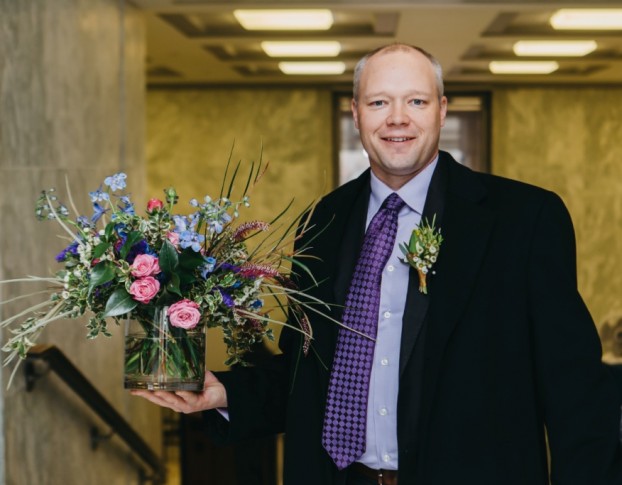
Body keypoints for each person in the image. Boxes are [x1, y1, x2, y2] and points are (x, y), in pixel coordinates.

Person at [132, 43, 622, 484]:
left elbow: (575, 390)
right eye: (379, 102)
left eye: (416, 101)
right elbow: (309, 372)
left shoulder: (524, 218)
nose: (397, 118)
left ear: (442, 110)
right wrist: (224, 394)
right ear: (356, 113)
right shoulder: (322, 219)